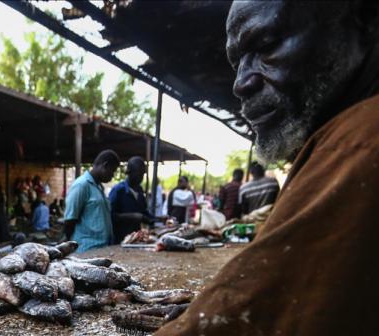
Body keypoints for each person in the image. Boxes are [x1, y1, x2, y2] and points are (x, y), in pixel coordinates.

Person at [157, 2, 379, 335]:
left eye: (265, 46)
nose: (240, 83)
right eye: (237, 63)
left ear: (363, 21)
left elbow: (246, 318)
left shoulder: (359, 142)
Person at [63, 150, 120, 253]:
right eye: (112, 171)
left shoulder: (99, 187)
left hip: (102, 248)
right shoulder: (81, 185)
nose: (112, 175)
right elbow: (69, 220)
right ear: (105, 165)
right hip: (86, 250)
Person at [109, 157, 167, 243]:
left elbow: (143, 213)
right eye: (138, 174)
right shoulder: (118, 190)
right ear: (129, 172)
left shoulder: (139, 190)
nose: (141, 177)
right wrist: (132, 216)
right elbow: (111, 216)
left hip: (135, 239)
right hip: (119, 239)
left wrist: (157, 219)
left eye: (143, 174)